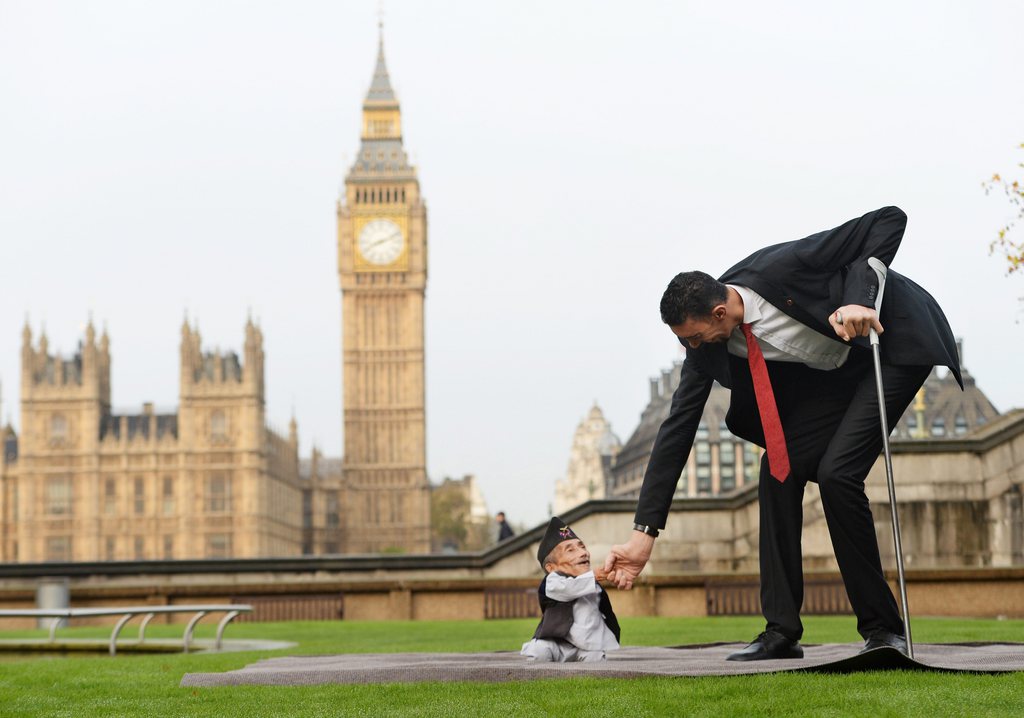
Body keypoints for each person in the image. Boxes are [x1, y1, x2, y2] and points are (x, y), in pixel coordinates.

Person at [604, 206, 961, 660]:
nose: (690, 349)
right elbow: (677, 429)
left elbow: (888, 220)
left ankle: (884, 629)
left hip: (892, 347)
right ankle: (781, 632)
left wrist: (861, 299)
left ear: (719, 312)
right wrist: (644, 533)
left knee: (837, 475)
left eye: (693, 338)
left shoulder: (782, 267)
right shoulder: (704, 349)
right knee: (777, 467)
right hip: (839, 375)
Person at [521, 517, 621, 662]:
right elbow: (568, 589)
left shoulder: (595, 586)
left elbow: (607, 612)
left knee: (597, 660)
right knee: (539, 651)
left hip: (587, 646)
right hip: (556, 642)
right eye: (571, 550)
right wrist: (593, 576)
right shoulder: (552, 582)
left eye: (582, 547)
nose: (583, 553)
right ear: (552, 567)